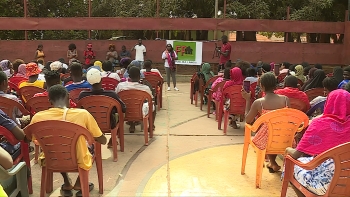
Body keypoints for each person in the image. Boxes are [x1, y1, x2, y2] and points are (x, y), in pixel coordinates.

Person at [29, 84, 106, 197]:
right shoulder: (82, 114)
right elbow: (102, 140)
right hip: (78, 159)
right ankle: (80, 182)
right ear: (68, 97)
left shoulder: (38, 117)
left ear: (50, 101)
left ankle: (66, 181)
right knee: (90, 146)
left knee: (55, 145)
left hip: (51, 159)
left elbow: (30, 138)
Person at [284, 89, 350, 196]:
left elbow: (296, 155)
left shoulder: (319, 123)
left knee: (290, 165)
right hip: (347, 182)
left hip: (326, 184)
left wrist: (287, 149)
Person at [242, 72, 290, 172]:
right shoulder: (285, 100)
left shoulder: (259, 102)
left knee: (266, 132)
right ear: (275, 85)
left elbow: (247, 120)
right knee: (274, 130)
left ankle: (271, 162)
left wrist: (247, 100)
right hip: (285, 139)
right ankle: (272, 163)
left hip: (266, 141)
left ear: (262, 86)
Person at [79, 68, 126, 148]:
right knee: (121, 114)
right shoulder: (111, 94)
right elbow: (123, 108)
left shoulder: (82, 95)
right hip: (109, 124)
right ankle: (113, 137)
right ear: (101, 80)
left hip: (89, 125)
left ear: (88, 81)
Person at [115, 66, 155, 133]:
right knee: (152, 105)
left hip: (125, 112)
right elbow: (151, 99)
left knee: (127, 104)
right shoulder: (145, 88)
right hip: (140, 112)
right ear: (139, 76)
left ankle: (132, 125)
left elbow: (116, 97)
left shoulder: (121, 86)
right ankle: (151, 126)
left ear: (129, 76)